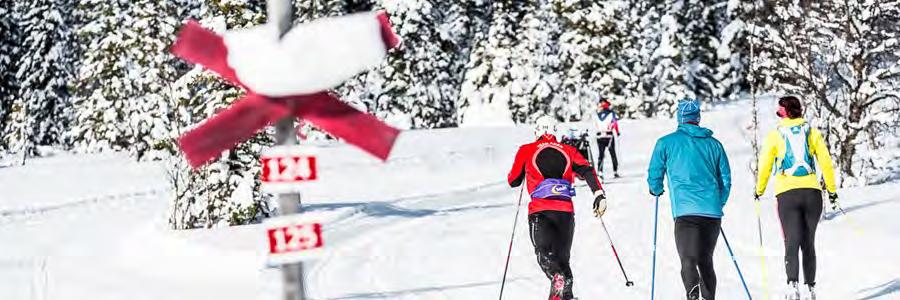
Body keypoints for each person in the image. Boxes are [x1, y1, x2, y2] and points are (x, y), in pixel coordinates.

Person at [508, 116, 608, 300]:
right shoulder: (569, 150)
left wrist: (524, 170)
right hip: (565, 212)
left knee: (544, 254)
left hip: (541, 211)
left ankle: (557, 277)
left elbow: (513, 180)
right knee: (562, 261)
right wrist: (598, 194)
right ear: (555, 131)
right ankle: (566, 295)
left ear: (537, 131)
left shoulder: (527, 150)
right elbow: (587, 170)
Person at [647, 98, 731, 300]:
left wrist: (656, 189)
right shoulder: (715, 144)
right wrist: (718, 202)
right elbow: (726, 179)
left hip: (686, 213)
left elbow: (654, 174)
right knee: (705, 260)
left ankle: (692, 297)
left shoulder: (666, 143)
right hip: (711, 213)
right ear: (698, 118)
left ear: (680, 117)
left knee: (688, 259)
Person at [755, 96, 837, 300]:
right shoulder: (812, 132)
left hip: (787, 194)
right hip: (812, 194)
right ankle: (811, 289)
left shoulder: (775, 135)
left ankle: (792, 286)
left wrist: (759, 190)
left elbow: (765, 164)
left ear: (782, 113)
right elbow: (826, 162)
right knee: (808, 242)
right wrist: (832, 191)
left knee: (791, 240)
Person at [592, 99, 621, 178]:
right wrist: (617, 132)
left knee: (601, 155)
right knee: (612, 154)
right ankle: (615, 171)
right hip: (609, 136)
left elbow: (595, 124)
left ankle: (600, 171)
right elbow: (615, 124)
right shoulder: (611, 113)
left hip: (599, 136)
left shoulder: (596, 114)